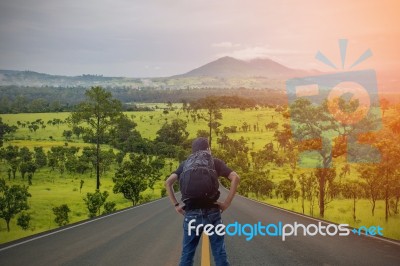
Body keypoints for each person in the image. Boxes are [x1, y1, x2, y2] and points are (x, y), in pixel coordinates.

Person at [165, 137, 240, 266]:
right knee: (219, 253)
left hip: (191, 214)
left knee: (187, 255)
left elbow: (168, 183)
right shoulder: (215, 162)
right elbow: (235, 177)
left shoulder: (185, 164)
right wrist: (226, 203)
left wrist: (177, 205)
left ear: (193, 151)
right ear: (208, 149)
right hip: (213, 213)